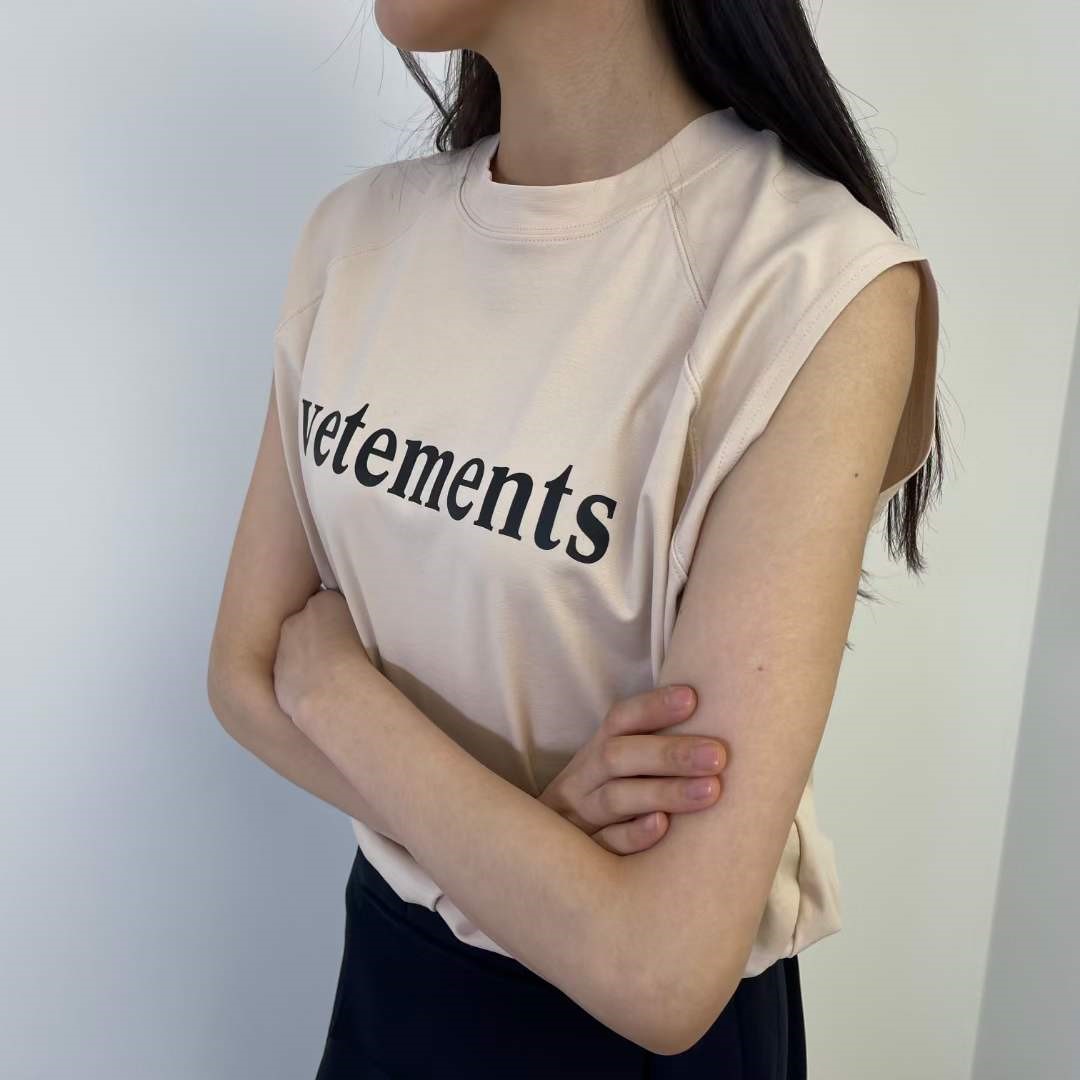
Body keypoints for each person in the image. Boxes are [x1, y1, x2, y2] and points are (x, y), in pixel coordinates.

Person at [208, 1, 945, 1076]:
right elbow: (241, 674)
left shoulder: (814, 282)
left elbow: (660, 971)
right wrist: (526, 838)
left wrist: (334, 690)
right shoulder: (356, 234)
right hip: (390, 972)